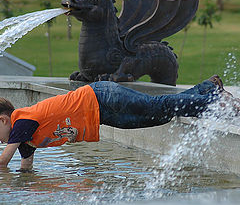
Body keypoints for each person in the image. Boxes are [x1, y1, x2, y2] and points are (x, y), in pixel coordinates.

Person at [0, 75, 239, 170]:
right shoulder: (25, 140)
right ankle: (207, 89)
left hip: (101, 96)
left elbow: (3, 162)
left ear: (3, 119)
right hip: (101, 114)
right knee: (157, 116)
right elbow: (25, 170)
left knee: (156, 107)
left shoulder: (21, 122)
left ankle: (215, 102)